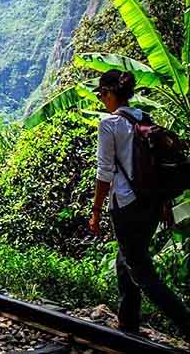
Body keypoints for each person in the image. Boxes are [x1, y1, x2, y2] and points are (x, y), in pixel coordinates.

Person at [89, 70, 190, 339]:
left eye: (102, 95)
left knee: (142, 271)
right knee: (126, 259)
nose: (101, 100)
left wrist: (96, 211)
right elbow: (158, 166)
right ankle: (128, 323)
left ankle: (187, 324)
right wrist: (166, 202)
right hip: (153, 205)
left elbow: (104, 173)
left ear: (110, 93)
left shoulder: (109, 125)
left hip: (126, 206)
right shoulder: (143, 119)